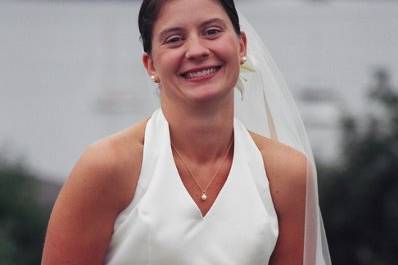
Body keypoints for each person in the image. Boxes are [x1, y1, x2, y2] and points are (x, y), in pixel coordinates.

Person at [41, 0, 331, 264]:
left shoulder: (288, 174)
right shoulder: (107, 166)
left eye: (212, 31)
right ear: (151, 64)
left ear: (241, 46)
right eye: (175, 39)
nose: (197, 51)